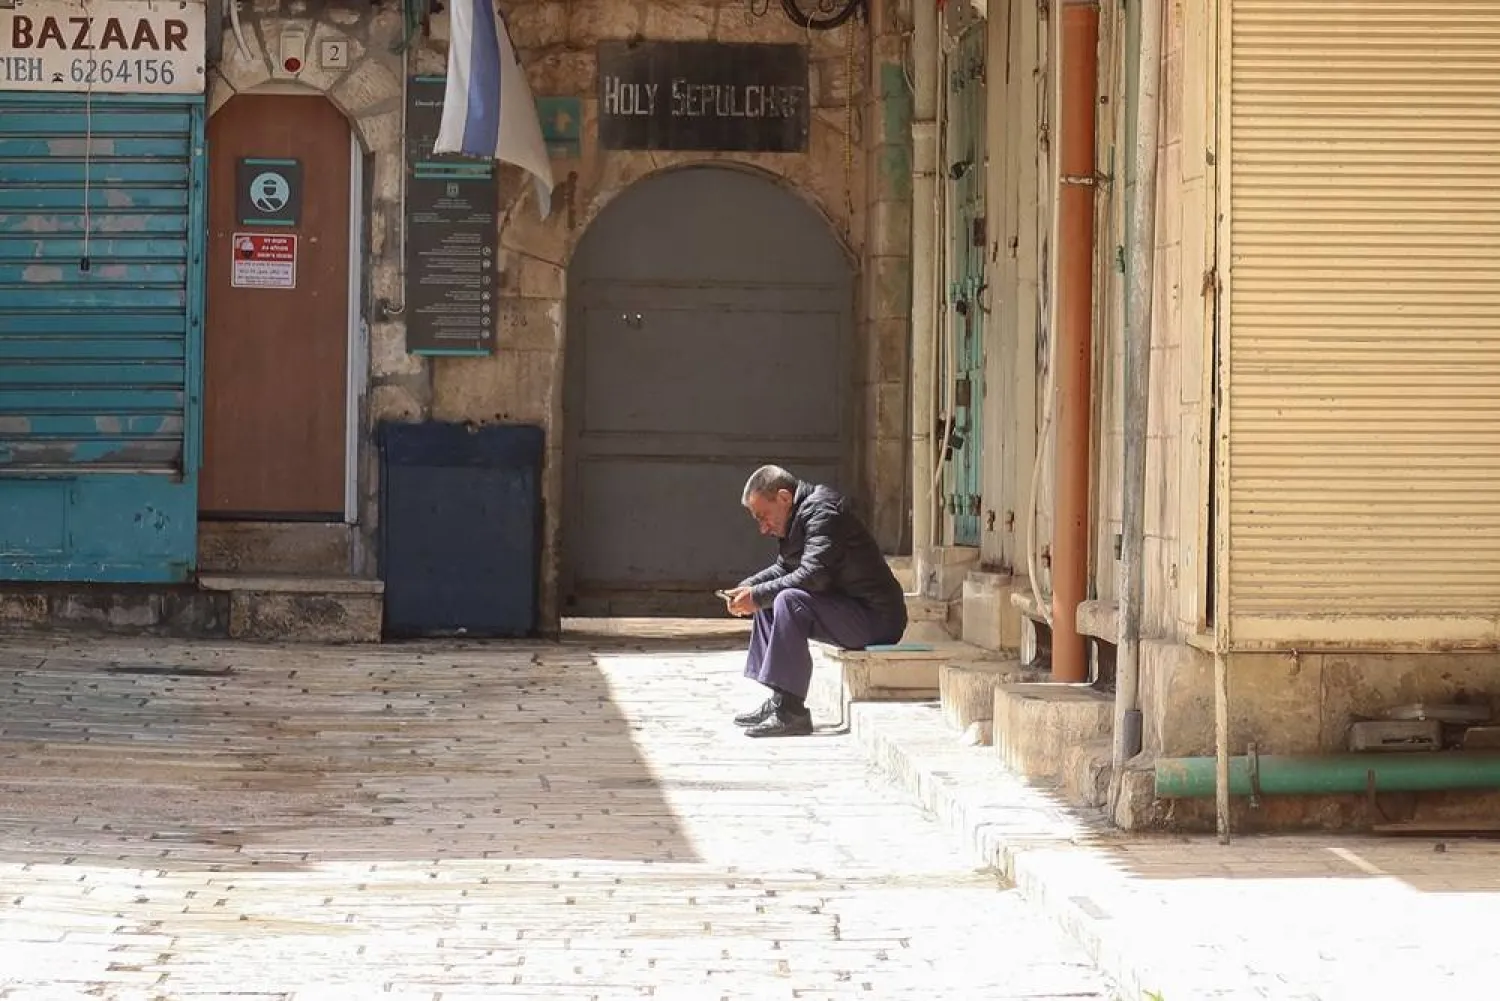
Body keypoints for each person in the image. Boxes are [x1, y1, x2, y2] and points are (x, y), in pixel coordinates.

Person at [723, 465, 908, 737]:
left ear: (784, 498)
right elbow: (786, 568)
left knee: (785, 600)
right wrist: (747, 588)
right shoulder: (798, 517)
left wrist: (758, 595)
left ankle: (792, 712)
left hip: (876, 618)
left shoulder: (824, 513)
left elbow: (814, 577)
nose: (763, 528)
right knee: (767, 596)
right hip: (847, 610)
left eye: (764, 516)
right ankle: (779, 700)